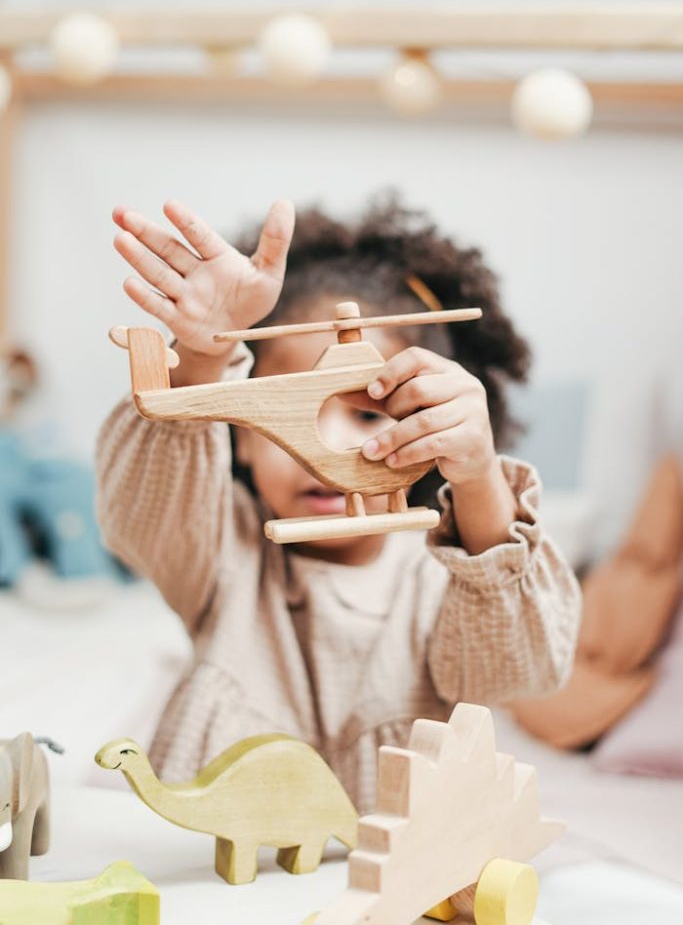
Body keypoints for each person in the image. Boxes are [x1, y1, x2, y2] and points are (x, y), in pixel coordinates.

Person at [96, 193, 581, 812]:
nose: (329, 445)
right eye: (293, 416)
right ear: (240, 438)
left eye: (366, 413)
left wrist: (480, 478)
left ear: (429, 433)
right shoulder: (223, 556)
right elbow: (145, 509)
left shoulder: (447, 580)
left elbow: (519, 673)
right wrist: (202, 355)